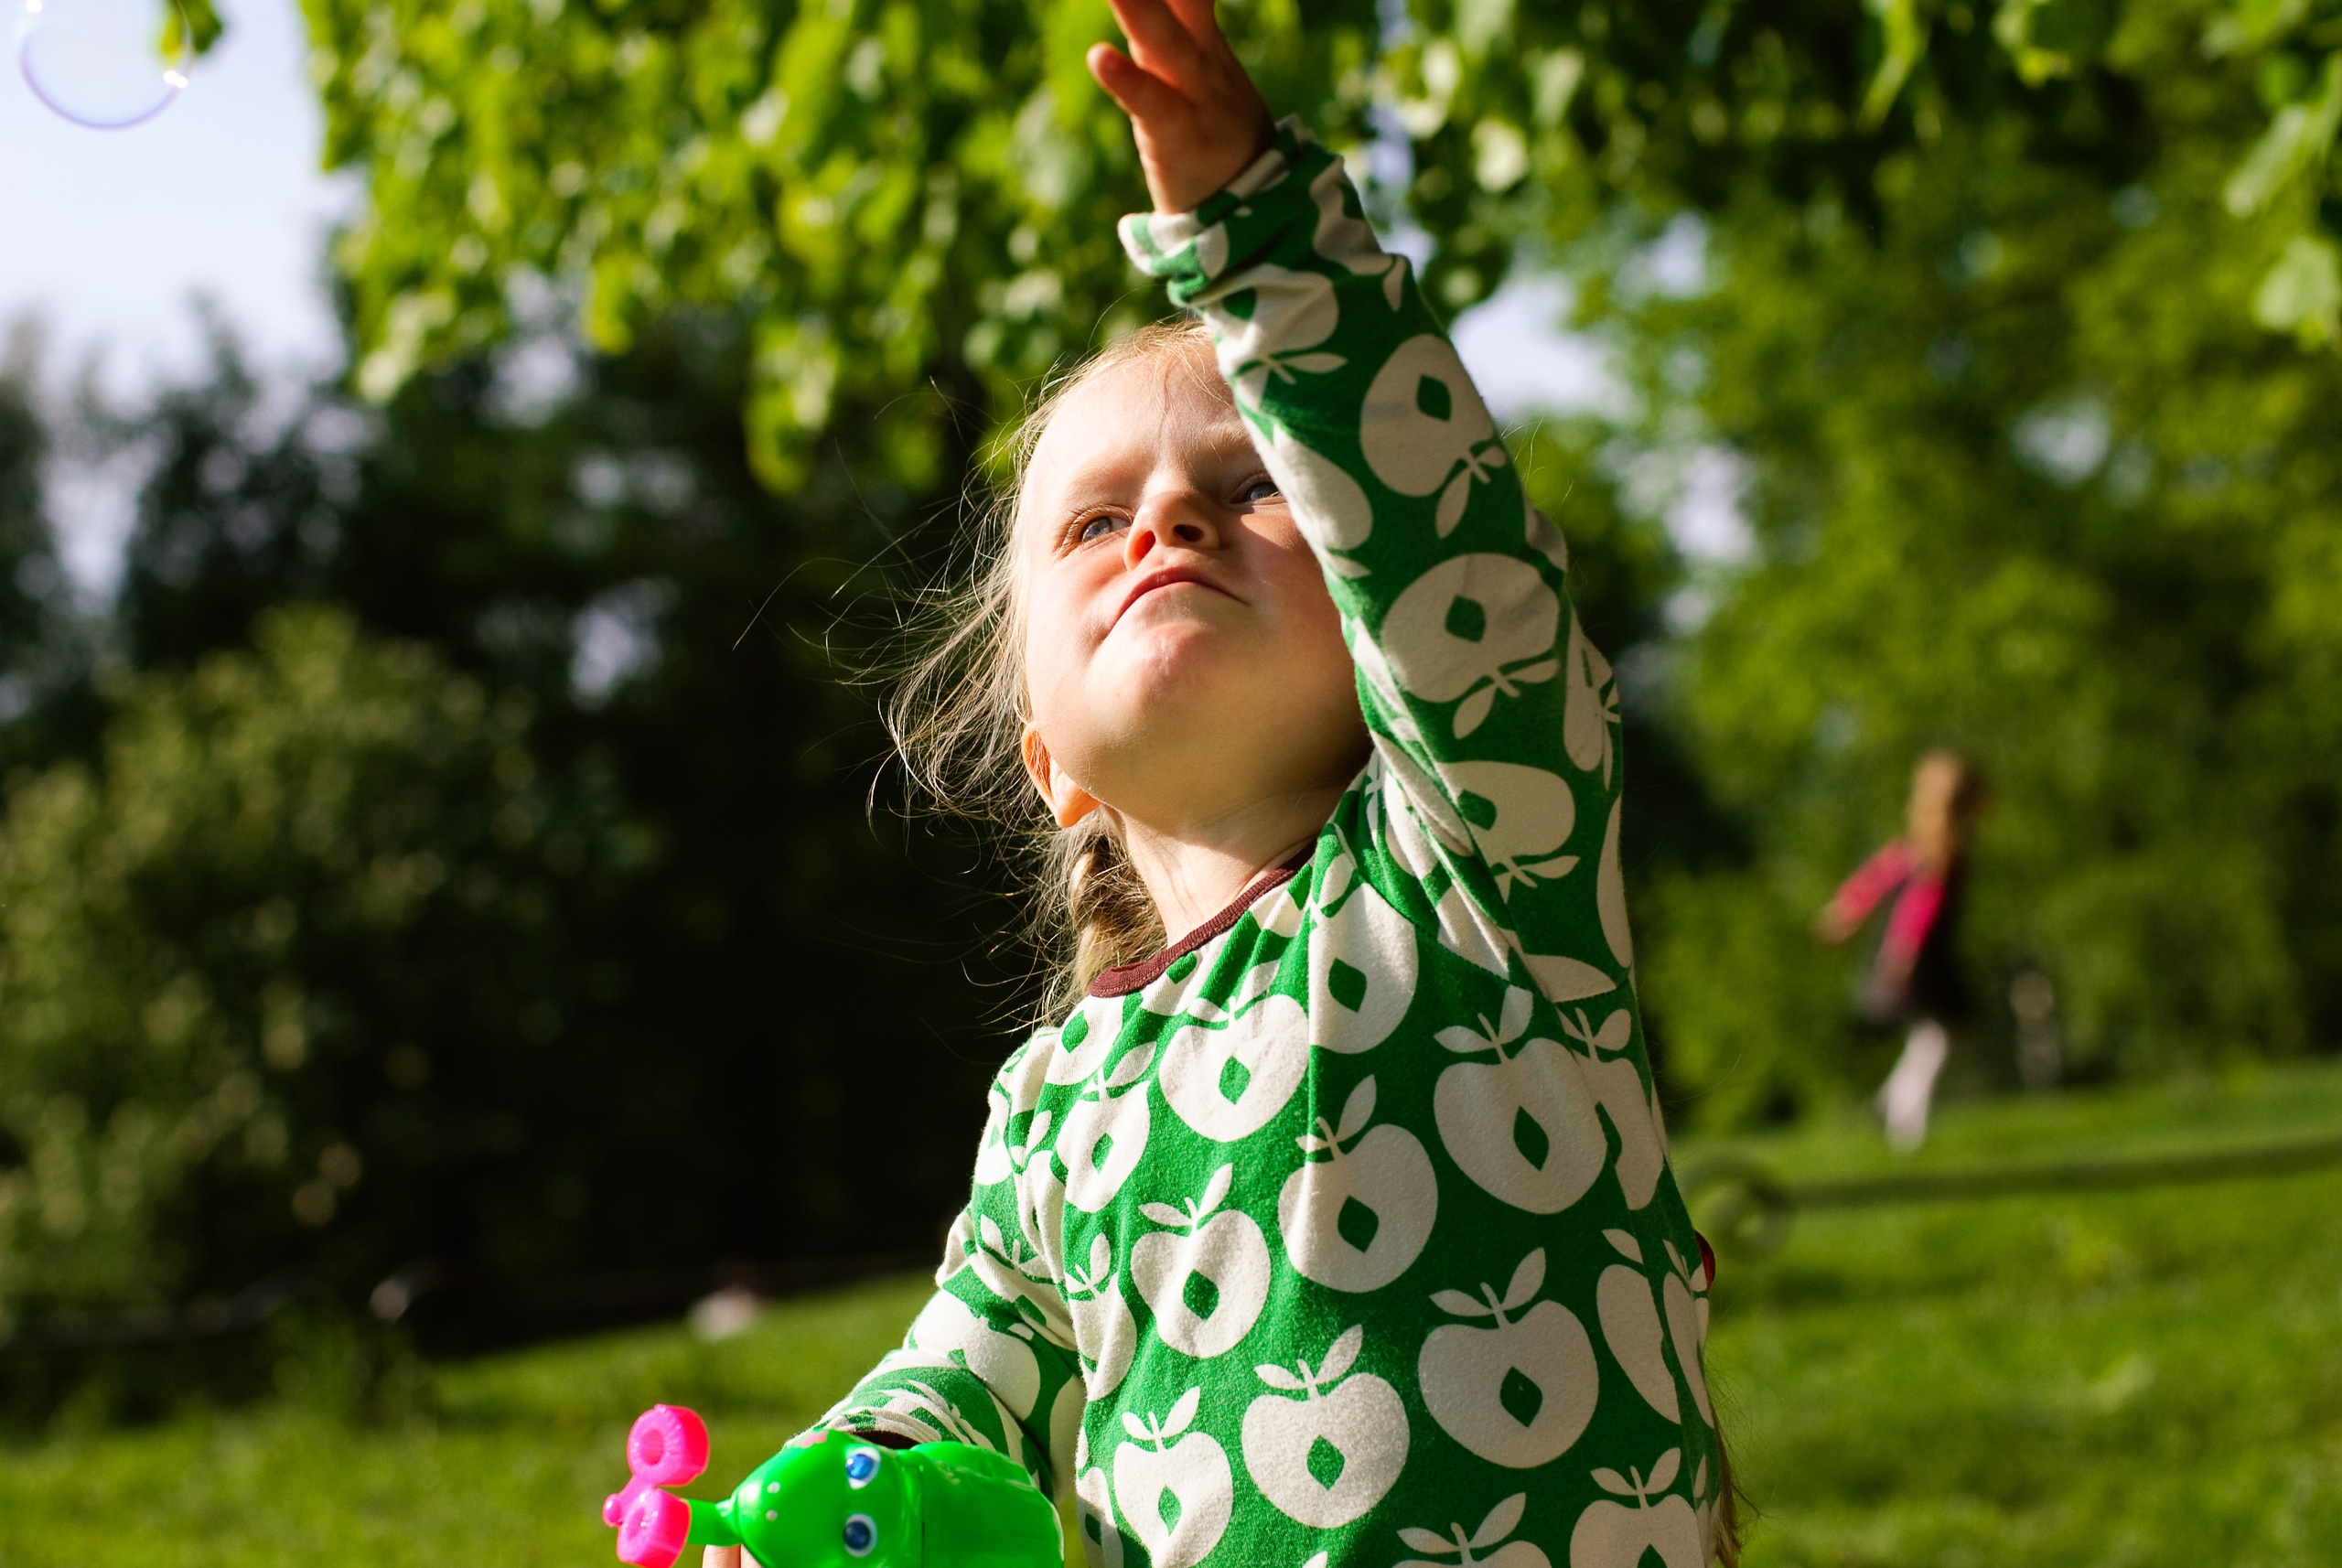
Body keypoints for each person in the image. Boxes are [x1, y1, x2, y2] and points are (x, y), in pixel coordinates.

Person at [713, 2, 1736, 1563]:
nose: (1168, 520)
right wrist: (821, 1497)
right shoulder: (1054, 1106)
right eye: (1090, 522)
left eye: (1254, 484)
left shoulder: (1477, 865)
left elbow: (1456, 564)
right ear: (1050, 762)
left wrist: (1261, 233)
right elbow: (953, 1386)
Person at [1815, 750, 1987, 1148]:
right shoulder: (1931, 857)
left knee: (1937, 1037)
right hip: (1911, 959)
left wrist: (1844, 912)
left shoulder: (1921, 852)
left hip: (1916, 958)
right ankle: (1905, 1122)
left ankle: (1892, 1100)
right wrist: (1902, 951)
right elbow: (1915, 905)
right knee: (1939, 1038)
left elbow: (1870, 884)